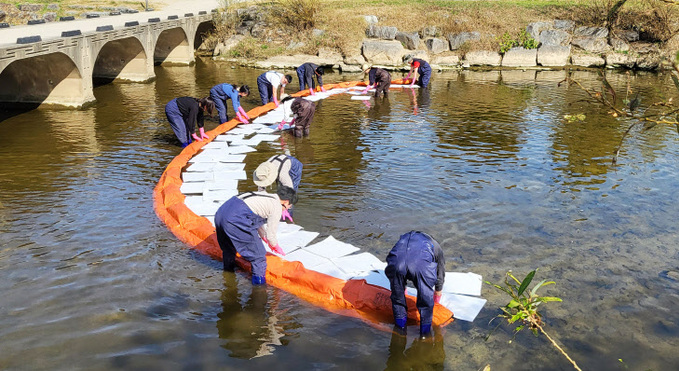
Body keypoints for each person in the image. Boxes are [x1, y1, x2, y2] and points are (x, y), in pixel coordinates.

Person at [214, 187, 298, 285]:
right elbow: (271, 235)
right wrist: (274, 245)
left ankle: (228, 277)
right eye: (289, 206)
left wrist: (263, 236)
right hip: (235, 218)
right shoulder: (277, 206)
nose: (288, 209)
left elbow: (256, 218)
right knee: (259, 257)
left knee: (229, 250)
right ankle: (259, 290)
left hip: (220, 214)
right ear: (286, 202)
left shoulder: (265, 196)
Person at [385, 231, 446, 337]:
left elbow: (402, 263)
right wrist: (436, 299)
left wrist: (401, 289)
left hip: (396, 262)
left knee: (398, 300)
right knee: (425, 303)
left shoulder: (403, 238)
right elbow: (440, 277)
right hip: (420, 266)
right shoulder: (437, 247)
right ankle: (425, 334)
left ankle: (400, 331)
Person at [253, 153, 303, 222]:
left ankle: (288, 216)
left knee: (288, 193)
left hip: (294, 167)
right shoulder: (261, 173)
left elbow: (290, 191)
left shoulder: (282, 174)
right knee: (281, 190)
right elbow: (261, 190)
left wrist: (285, 207)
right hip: (279, 163)